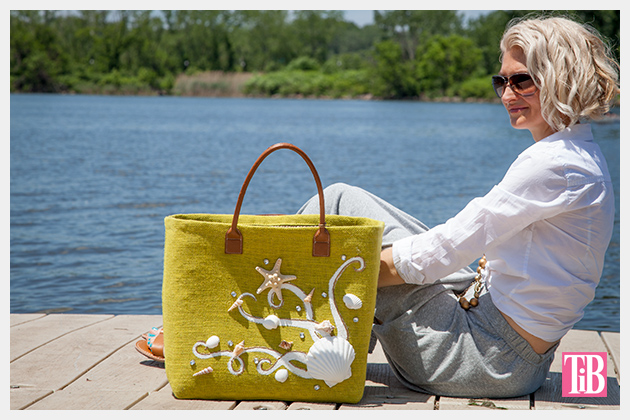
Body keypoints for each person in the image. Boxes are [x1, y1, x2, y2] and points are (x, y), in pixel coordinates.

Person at [297, 15, 619, 398]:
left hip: (484, 360)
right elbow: (453, 246)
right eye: (501, 81)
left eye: (521, 80)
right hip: (514, 354)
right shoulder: (580, 153)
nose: (506, 94)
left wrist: (339, 269)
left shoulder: (554, 164)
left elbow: (440, 253)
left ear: (558, 79)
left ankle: (307, 341)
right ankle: (336, 337)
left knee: (337, 211)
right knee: (344, 200)